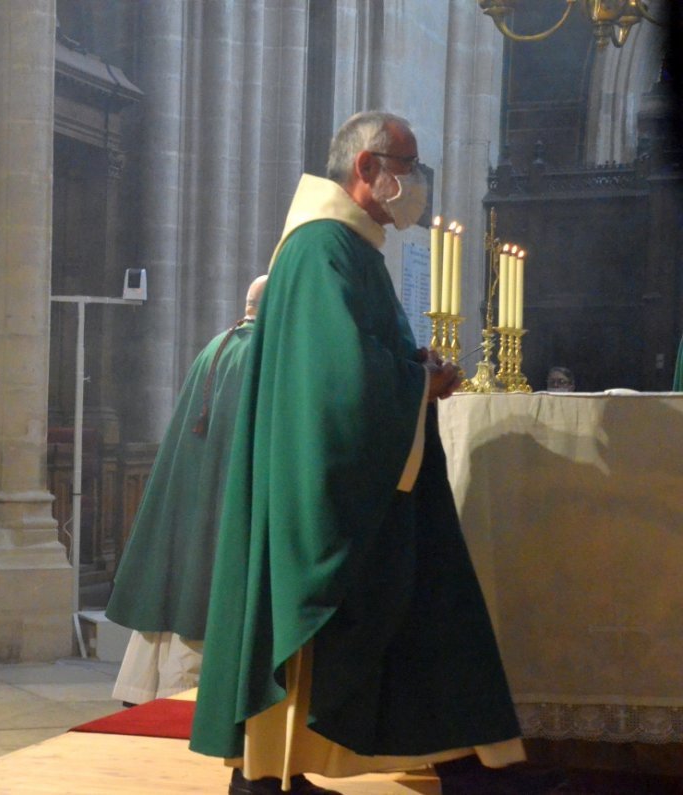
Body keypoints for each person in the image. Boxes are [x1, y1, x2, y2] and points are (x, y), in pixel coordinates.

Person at [190, 112, 525, 795]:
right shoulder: (321, 247)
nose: (416, 182)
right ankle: (263, 776)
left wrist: (411, 364)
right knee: (348, 618)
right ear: (365, 169)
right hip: (323, 483)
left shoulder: (349, 245)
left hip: (350, 470)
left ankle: (277, 771)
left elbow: (357, 358)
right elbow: (337, 379)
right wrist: (416, 381)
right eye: (407, 165)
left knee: (420, 604)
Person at [106, 275, 268, 704]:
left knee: (180, 590)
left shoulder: (217, 345)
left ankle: (145, 691)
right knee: (201, 595)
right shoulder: (261, 355)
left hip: (194, 493)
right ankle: (183, 695)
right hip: (225, 499)